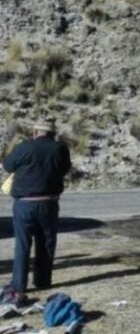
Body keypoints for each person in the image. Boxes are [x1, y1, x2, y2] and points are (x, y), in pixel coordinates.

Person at [1, 118, 71, 306]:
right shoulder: (60, 148)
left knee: (22, 244)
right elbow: (65, 169)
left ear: (35, 132)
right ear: (52, 133)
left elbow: (7, 166)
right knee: (47, 242)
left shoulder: (25, 147)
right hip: (49, 202)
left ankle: (19, 284)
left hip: (24, 203)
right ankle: (42, 280)